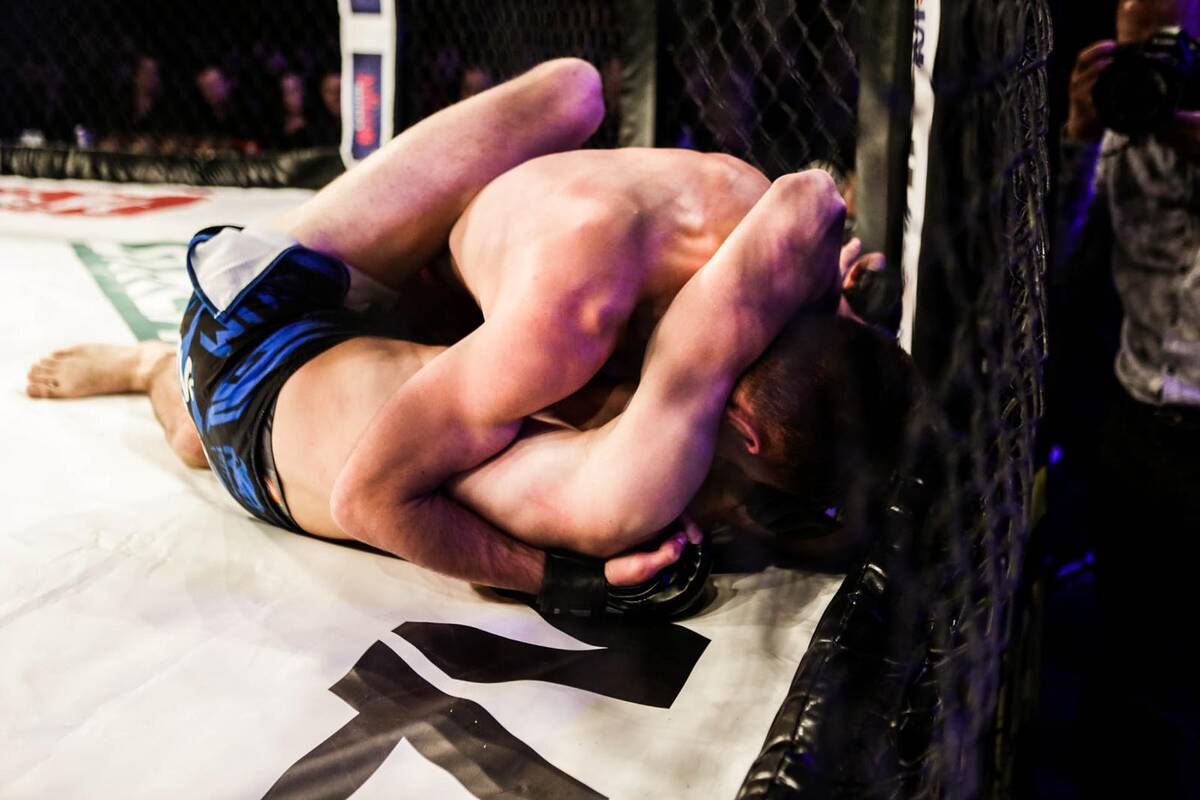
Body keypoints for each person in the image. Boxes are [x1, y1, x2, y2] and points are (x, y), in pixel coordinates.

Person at [28, 59, 911, 608]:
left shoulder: (763, 218)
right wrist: (562, 580)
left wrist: (827, 290)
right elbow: (371, 497)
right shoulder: (580, 364)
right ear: (742, 429)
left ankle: (156, 369)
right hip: (258, 347)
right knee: (221, 425)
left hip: (292, 362)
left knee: (574, 89)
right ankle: (159, 365)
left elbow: (808, 206)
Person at [1058, 0, 1200, 794]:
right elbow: (1050, 262)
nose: (1153, 66)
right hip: (1141, 425)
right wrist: (1080, 134)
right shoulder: (1123, 129)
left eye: (1169, 47)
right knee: (1133, 663)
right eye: (1134, 47)